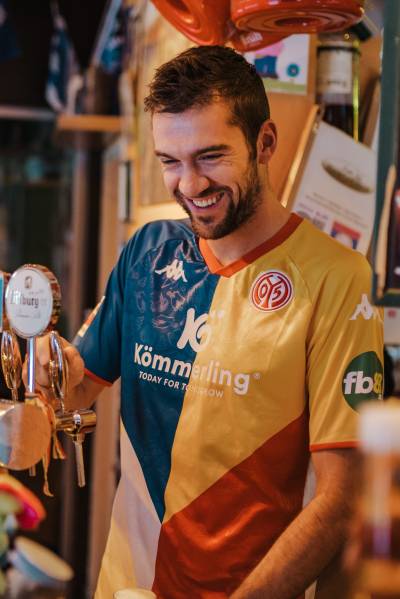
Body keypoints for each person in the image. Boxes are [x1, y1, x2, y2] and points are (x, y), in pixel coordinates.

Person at [31, 46, 383, 599]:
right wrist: (44, 373)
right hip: (127, 586)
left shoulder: (337, 277)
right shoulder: (148, 249)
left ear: (265, 143)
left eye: (210, 156)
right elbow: (76, 390)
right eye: (170, 161)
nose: (190, 185)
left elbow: (342, 500)